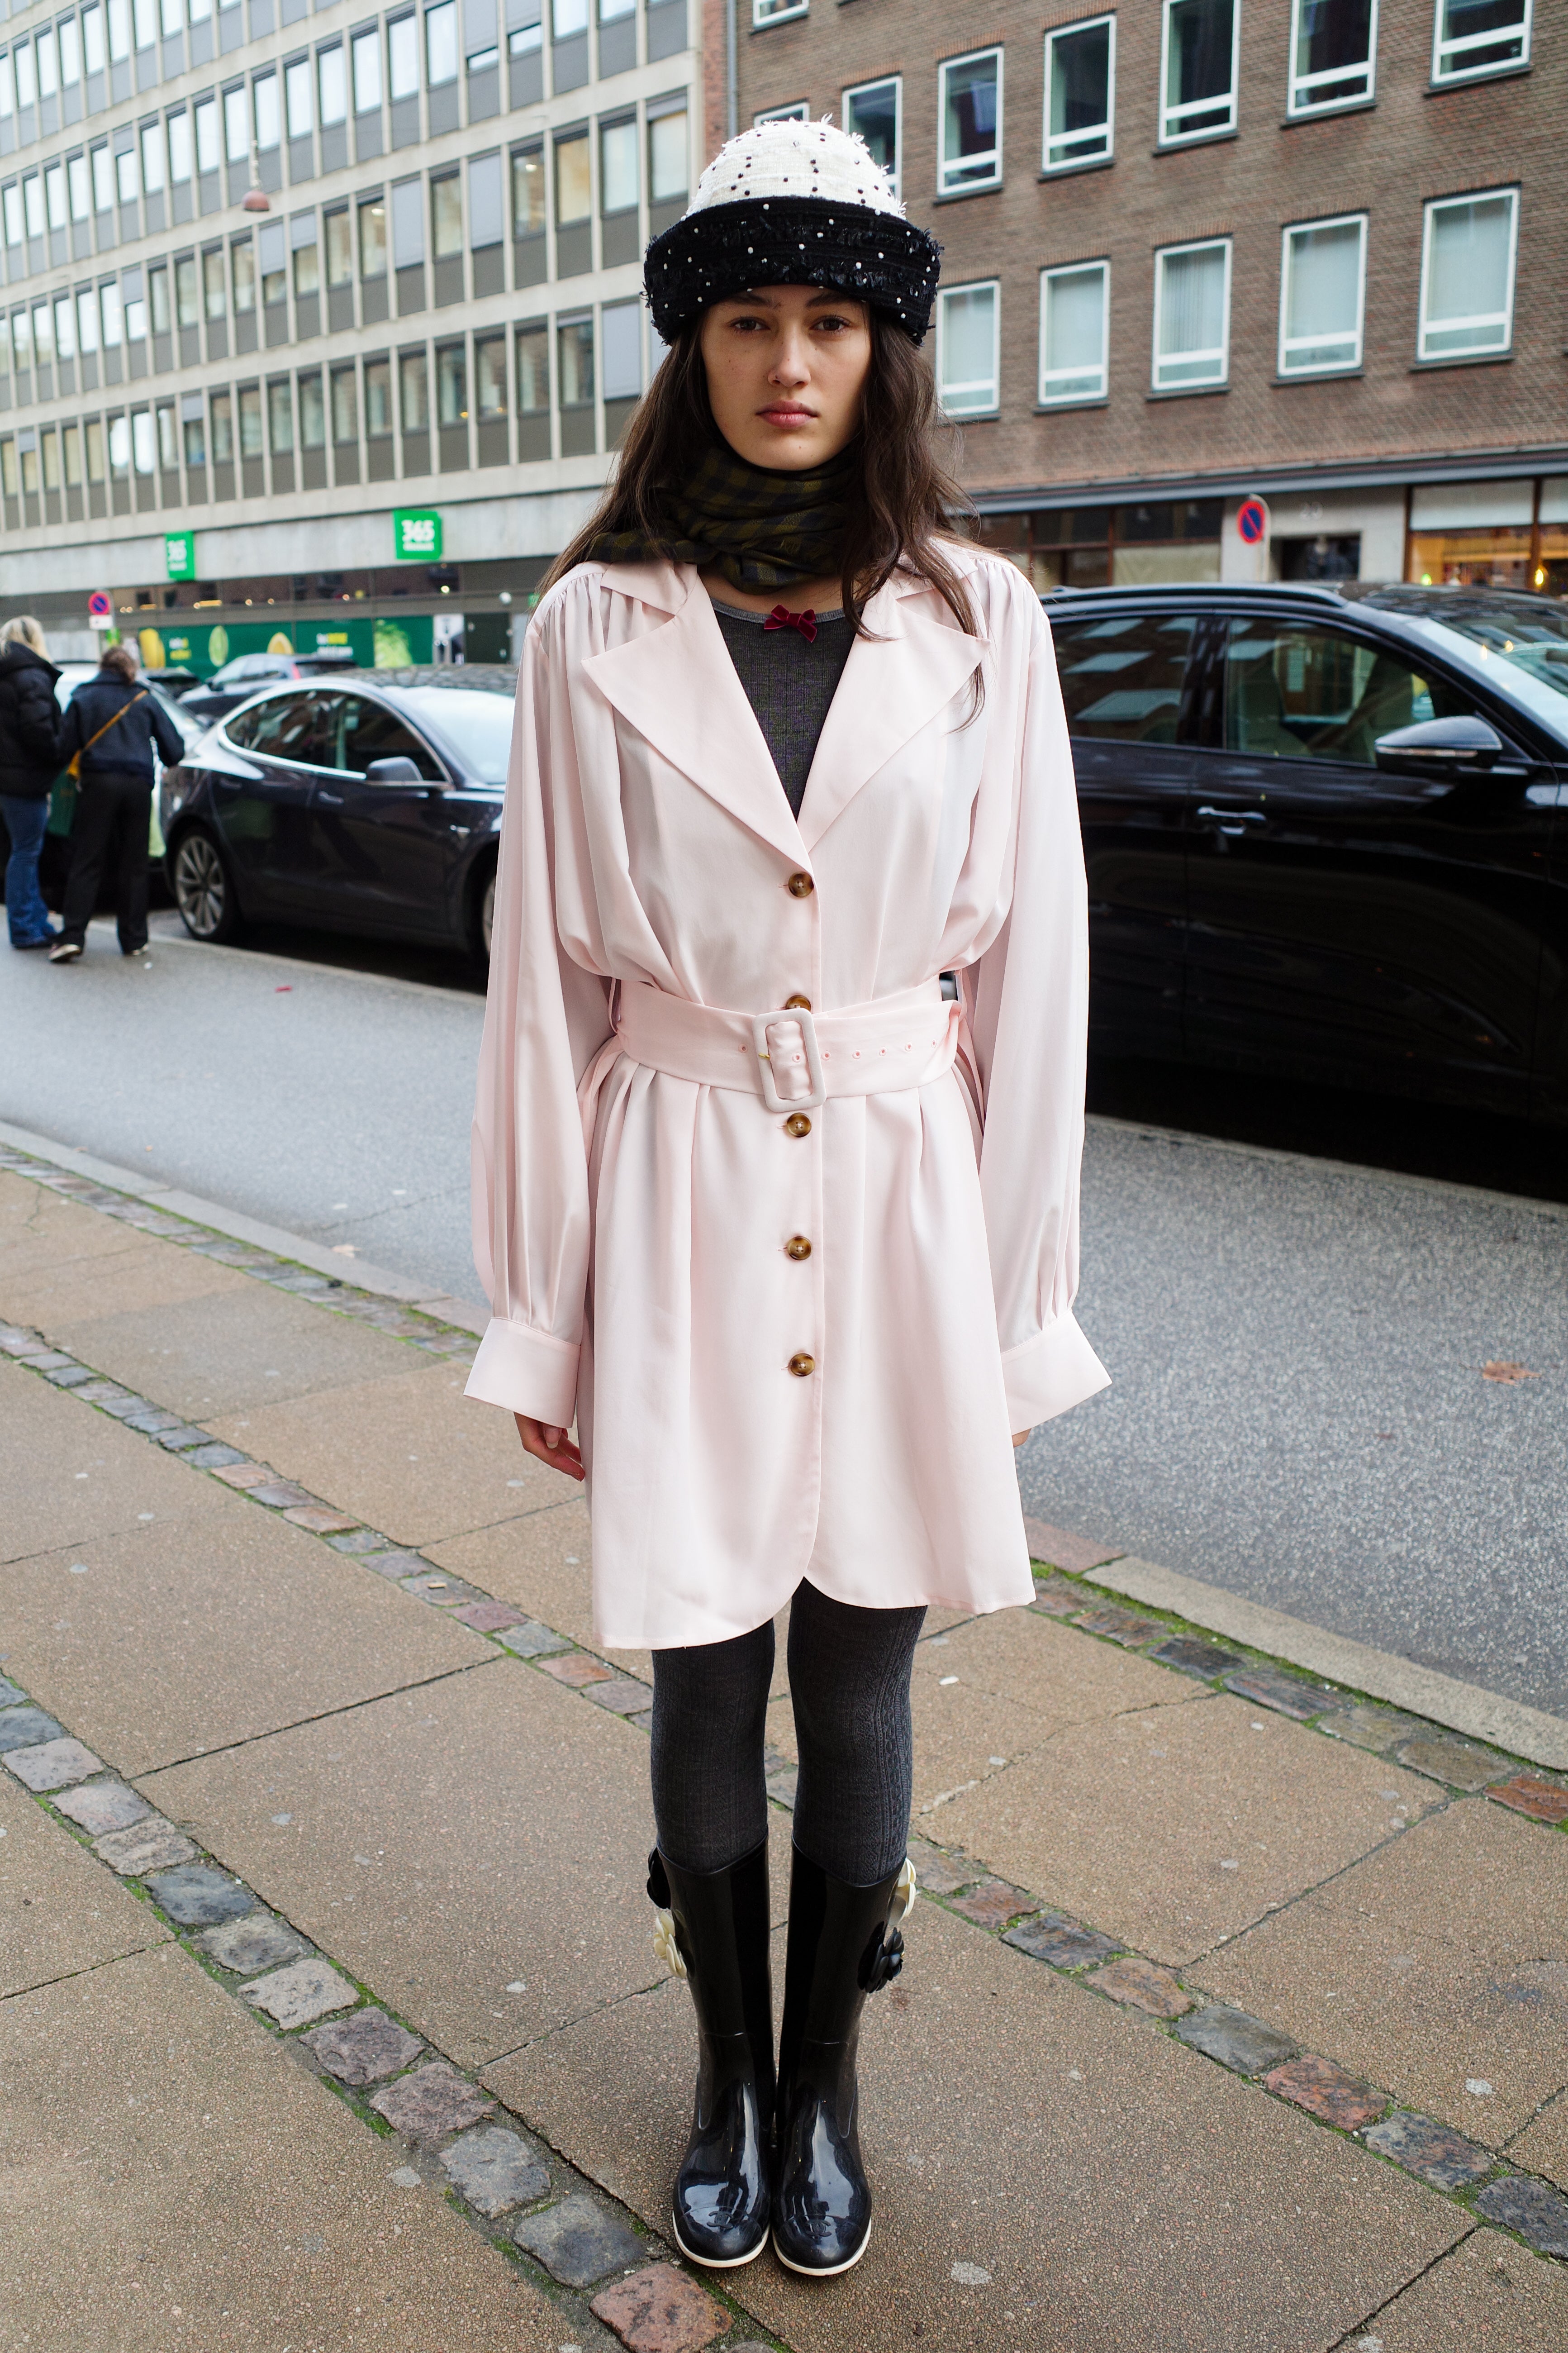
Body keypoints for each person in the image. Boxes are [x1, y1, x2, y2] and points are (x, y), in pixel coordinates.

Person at [466, 118, 1109, 2280]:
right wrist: (540, 1313)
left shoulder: (978, 617)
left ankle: (823, 2076)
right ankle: (723, 2069)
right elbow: (543, 992)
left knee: (859, 1666)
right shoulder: (590, 626)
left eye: (829, 317)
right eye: (749, 317)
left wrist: (1015, 1309)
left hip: (902, 1183)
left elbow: (1028, 985)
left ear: (883, 344)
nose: (788, 359)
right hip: (673, 1186)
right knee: (691, 1651)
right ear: (694, 344)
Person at [50, 639, 185, 963]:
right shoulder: (144, 698)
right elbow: (175, 751)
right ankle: (135, 940)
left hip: (98, 785)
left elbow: (63, 748)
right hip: (138, 786)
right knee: (135, 865)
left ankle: (73, 937)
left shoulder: (83, 696)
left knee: (87, 860)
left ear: (102, 668)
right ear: (129, 669)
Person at [0, 614, 63, 950]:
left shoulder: (8, 675)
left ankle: (35, 919)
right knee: (26, 852)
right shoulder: (30, 677)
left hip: (10, 778)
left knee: (24, 850)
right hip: (26, 778)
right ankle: (25, 927)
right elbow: (40, 732)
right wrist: (60, 752)